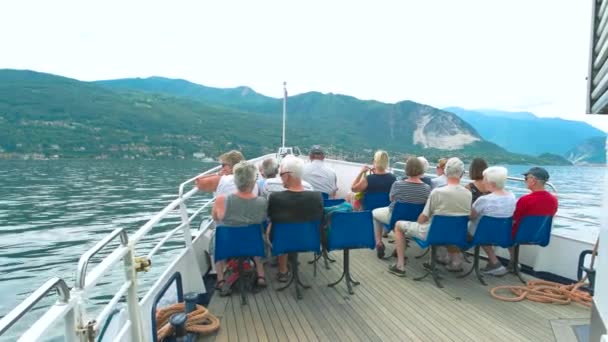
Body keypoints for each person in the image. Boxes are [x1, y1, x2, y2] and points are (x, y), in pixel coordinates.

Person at [396, 157, 471, 272]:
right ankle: (438, 259)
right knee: (441, 225)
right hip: (455, 235)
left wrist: (416, 223)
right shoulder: (468, 194)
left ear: (445, 171)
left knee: (398, 225)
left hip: (433, 234)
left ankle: (399, 266)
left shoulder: (437, 192)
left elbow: (423, 218)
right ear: (462, 174)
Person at [266, 156, 324, 282]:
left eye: (281, 174)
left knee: (278, 228)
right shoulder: (317, 196)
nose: (280, 178)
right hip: (309, 241)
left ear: (287, 175)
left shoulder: (276, 198)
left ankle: (283, 271)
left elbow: (271, 217)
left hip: (283, 242)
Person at [212, 161, 268, 290]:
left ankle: (220, 280)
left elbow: (215, 218)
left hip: (227, 246)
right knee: (256, 235)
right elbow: (262, 219)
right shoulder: (261, 202)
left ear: (236, 180)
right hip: (252, 245)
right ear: (253, 181)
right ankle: (261, 276)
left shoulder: (221, 199)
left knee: (215, 241)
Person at [377, 157, 431, 276]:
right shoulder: (427, 188)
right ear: (421, 170)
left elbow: (391, 199)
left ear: (406, 169)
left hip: (397, 217)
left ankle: (379, 242)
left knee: (375, 214)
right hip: (414, 219)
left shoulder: (397, 184)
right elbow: (426, 206)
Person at [507, 167, 558, 270]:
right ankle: (513, 262)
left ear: (533, 180)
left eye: (526, 178)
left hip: (520, 236)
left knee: (493, 229)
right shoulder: (553, 200)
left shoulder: (525, 200)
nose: (525, 180)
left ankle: (505, 262)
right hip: (540, 236)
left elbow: (514, 220)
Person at [468, 166, 516, 276]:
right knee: (492, 227)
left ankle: (494, 263)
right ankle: (513, 261)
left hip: (484, 235)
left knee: (473, 229)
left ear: (492, 183)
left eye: (485, 179)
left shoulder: (484, 200)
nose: (483, 182)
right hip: (504, 235)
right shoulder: (512, 197)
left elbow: (471, 216)